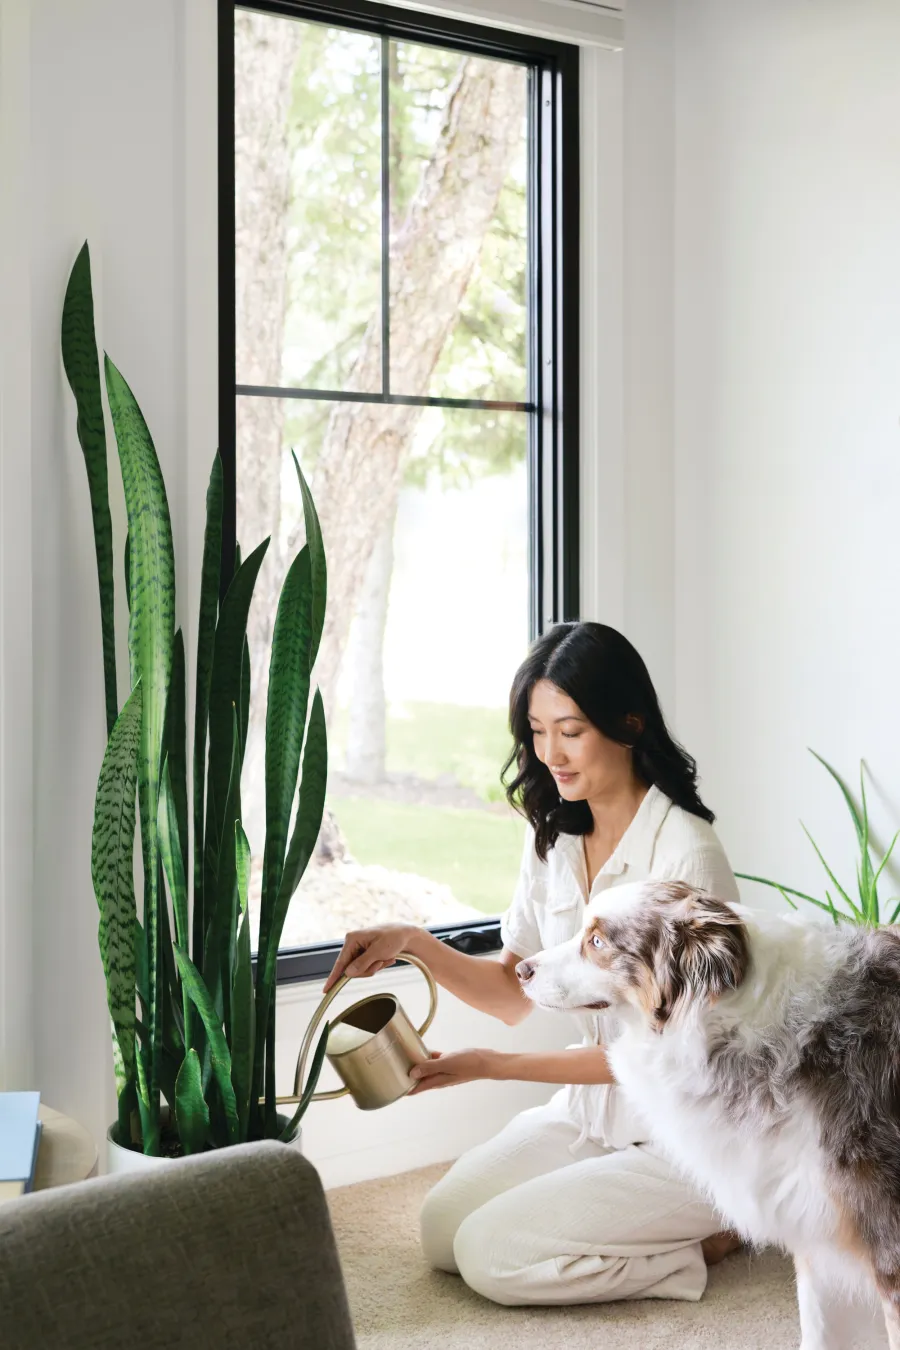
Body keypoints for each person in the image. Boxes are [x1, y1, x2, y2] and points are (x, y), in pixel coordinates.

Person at [324, 621, 741, 1308]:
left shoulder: (686, 856)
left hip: (681, 1131)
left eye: (570, 730)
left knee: (490, 1254)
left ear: (628, 721)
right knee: (442, 1232)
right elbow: (513, 994)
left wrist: (492, 1065)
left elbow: (669, 1057)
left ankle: (700, 1245)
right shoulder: (554, 829)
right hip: (589, 1112)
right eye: (537, 730)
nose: (550, 754)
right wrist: (414, 942)